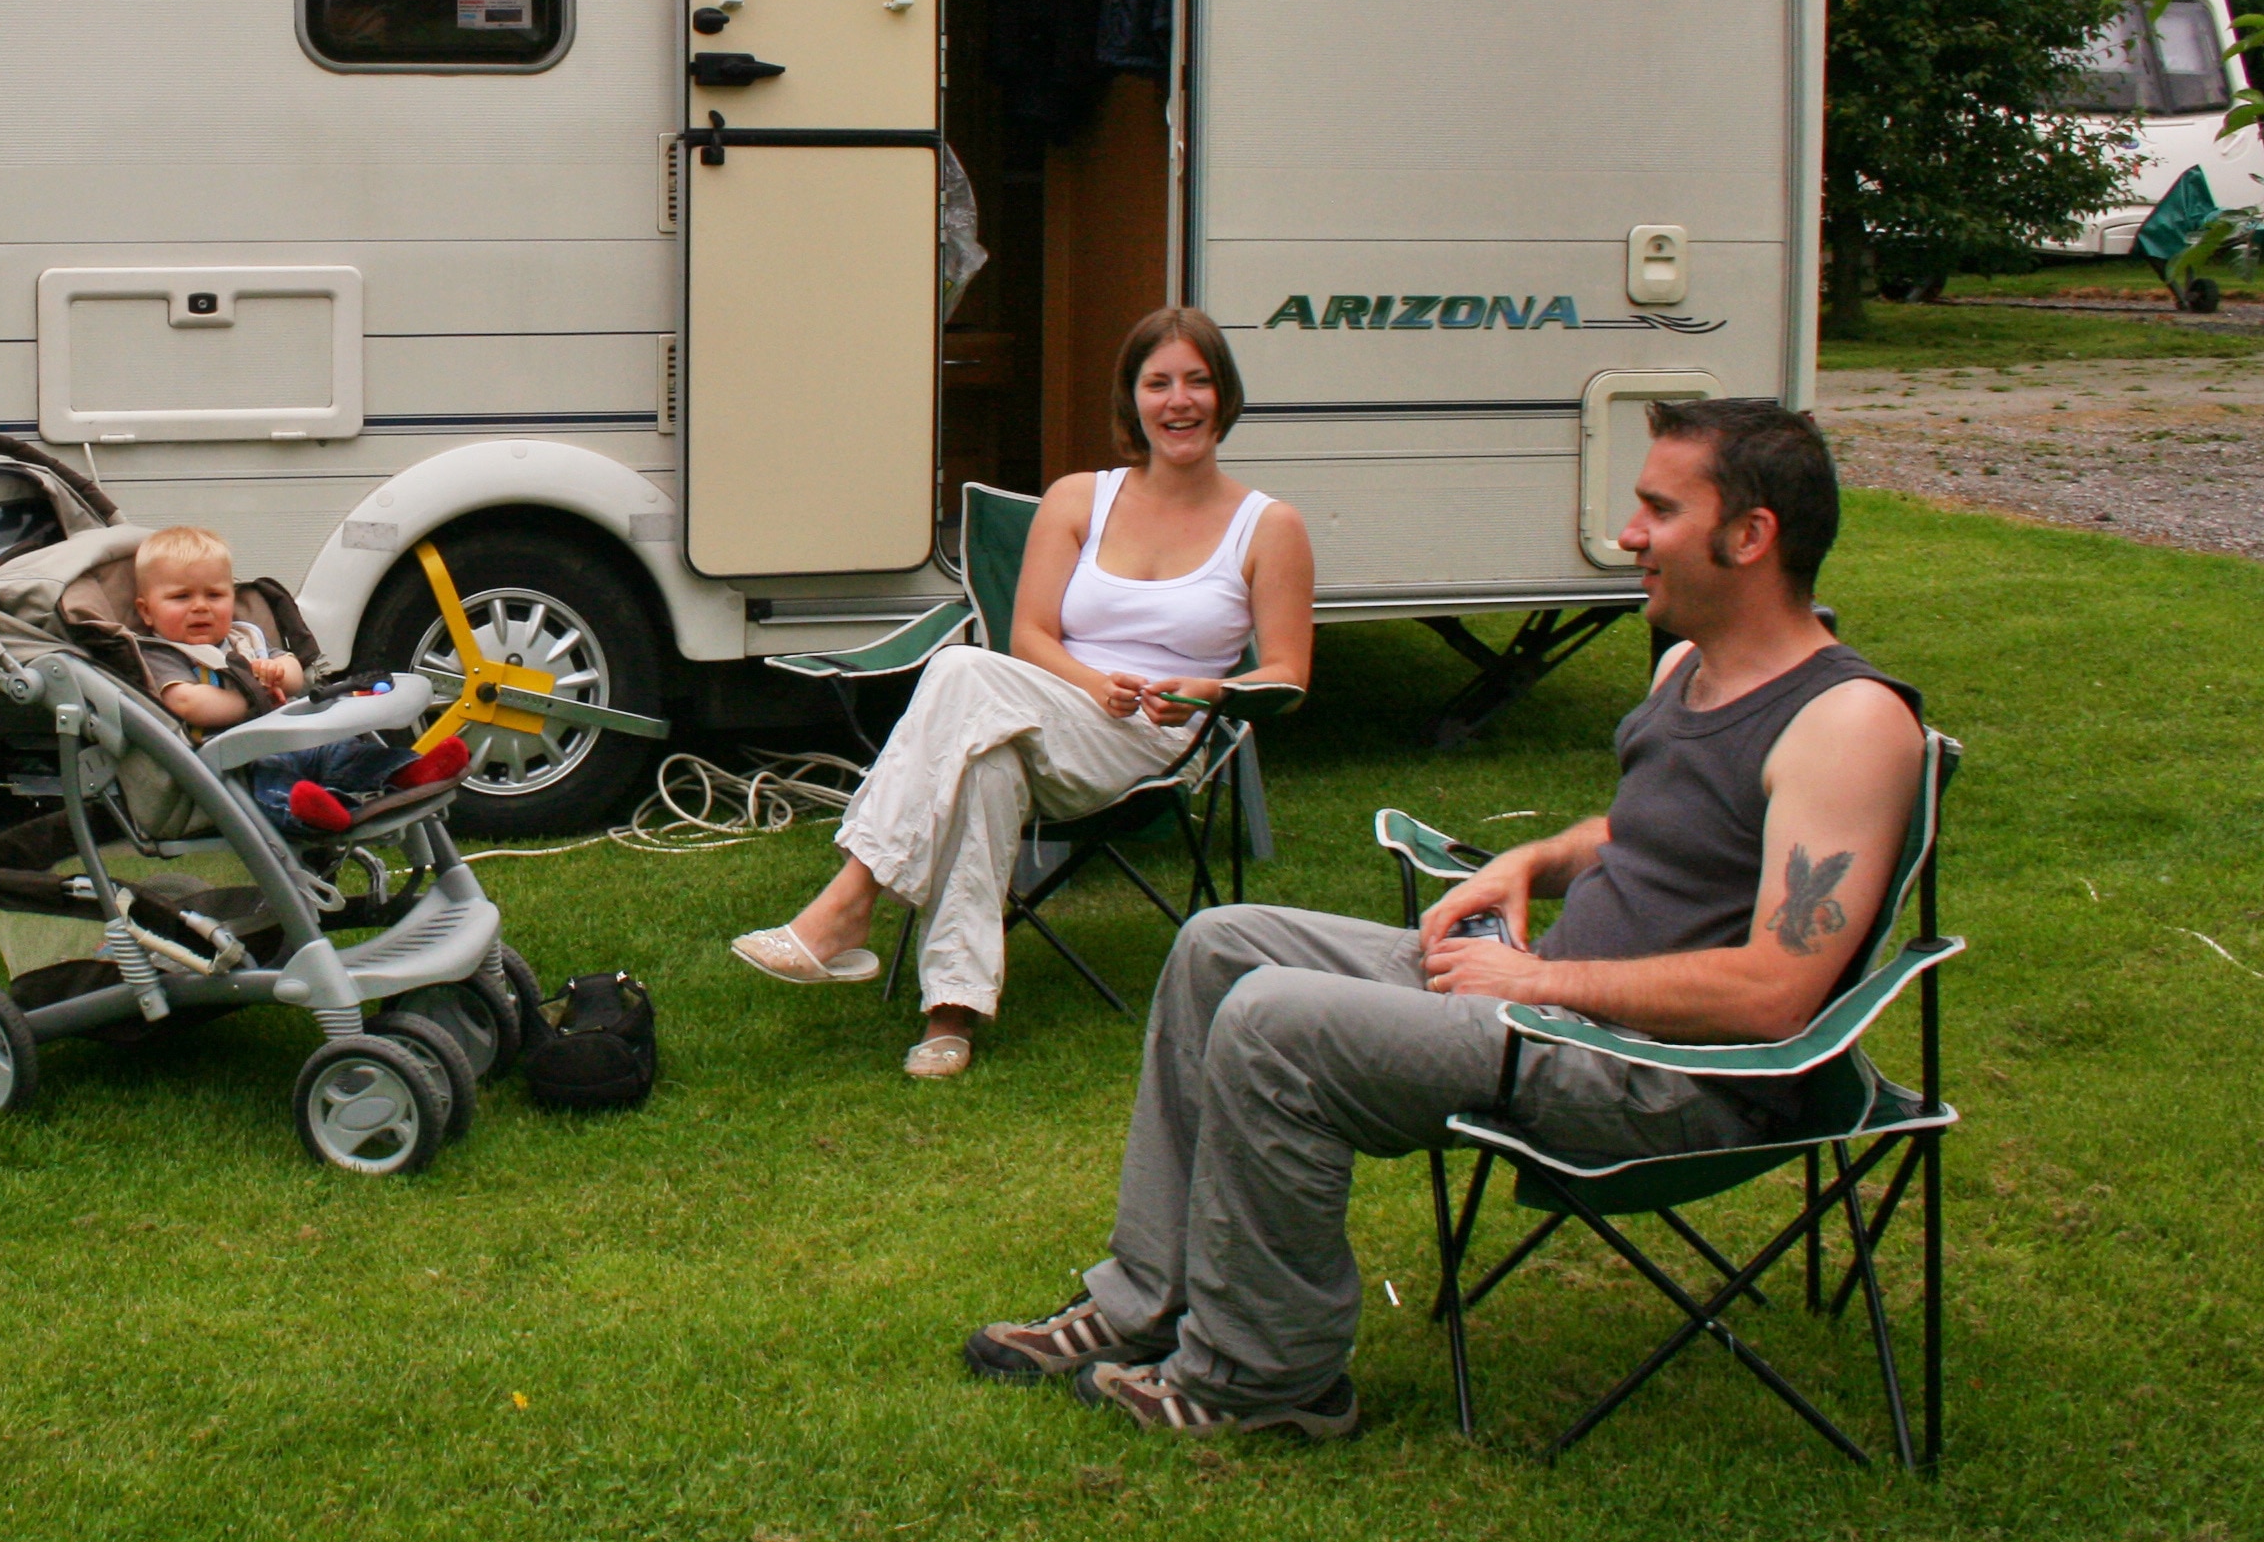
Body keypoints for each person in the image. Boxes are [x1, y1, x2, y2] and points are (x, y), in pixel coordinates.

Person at [964, 396, 1924, 1441]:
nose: (1630, 535)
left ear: (1750, 536)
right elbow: (1660, 828)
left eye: (1657, 509)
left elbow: (1778, 994)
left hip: (1663, 1078)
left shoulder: (1847, 723)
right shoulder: (1689, 667)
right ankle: (1142, 1300)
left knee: (1275, 1018)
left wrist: (1542, 983)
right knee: (1219, 943)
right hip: (1546, 1008)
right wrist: (1532, 861)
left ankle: (1267, 1382)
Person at [732, 307, 1315, 1079]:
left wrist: (1207, 689)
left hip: (1155, 740)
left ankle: (850, 903)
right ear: (1132, 401)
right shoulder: (1080, 499)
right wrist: (1094, 682)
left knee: (960, 673)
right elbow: (1031, 638)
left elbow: (1286, 676)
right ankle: (952, 1014)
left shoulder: (1268, 526)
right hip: (1054, 705)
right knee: (983, 759)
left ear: (1224, 397)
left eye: (1198, 382)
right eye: (1159, 382)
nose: (1179, 401)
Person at [127, 524, 462, 831]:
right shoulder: (161, 654)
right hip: (238, 760)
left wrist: (278, 672)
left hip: (292, 738)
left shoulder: (246, 638)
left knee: (342, 751)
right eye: (181, 597)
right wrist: (252, 698)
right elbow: (187, 701)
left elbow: (293, 672)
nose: (200, 607)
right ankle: (317, 812)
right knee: (272, 787)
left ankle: (408, 771)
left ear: (232, 596)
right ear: (146, 611)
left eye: (214, 595)